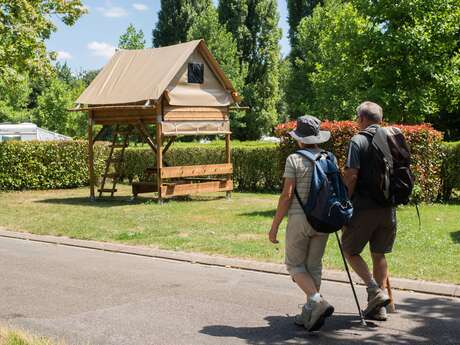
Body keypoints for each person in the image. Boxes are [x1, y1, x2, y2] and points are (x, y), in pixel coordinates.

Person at [269, 115, 334, 332]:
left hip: (300, 219)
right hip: (323, 219)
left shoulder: (294, 159)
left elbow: (287, 195)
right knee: (314, 266)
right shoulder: (329, 158)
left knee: (294, 265)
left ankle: (317, 300)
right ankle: (309, 314)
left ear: (299, 138)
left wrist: (275, 225)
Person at [342, 101, 394, 321]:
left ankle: (375, 291)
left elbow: (352, 175)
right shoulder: (392, 138)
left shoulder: (358, 140)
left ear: (362, 119)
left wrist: (344, 201)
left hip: (364, 207)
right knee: (378, 254)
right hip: (389, 207)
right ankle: (379, 308)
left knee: (350, 250)